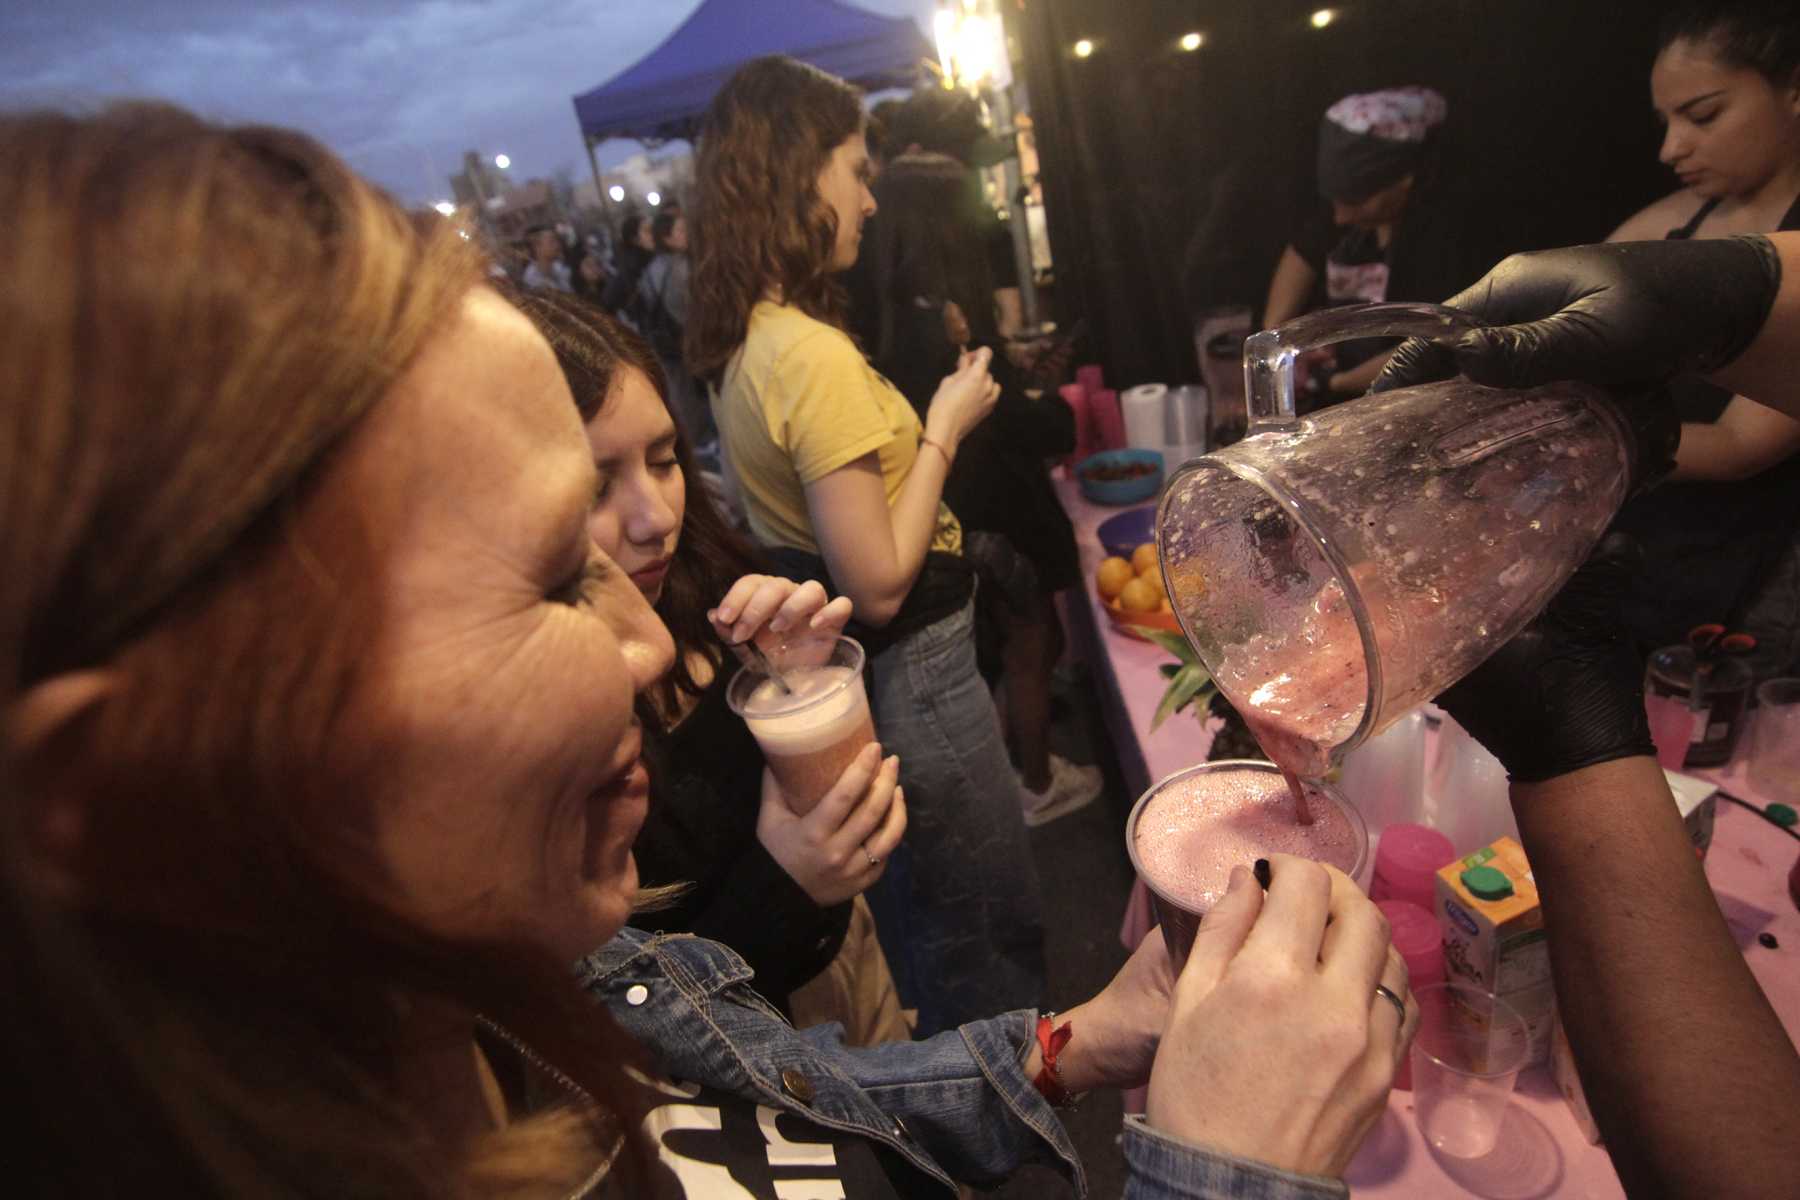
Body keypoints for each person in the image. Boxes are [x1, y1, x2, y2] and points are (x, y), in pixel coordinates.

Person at [3, 102, 1413, 1198]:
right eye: (559, 574)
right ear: (148, 796)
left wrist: (1087, 1039)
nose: (639, 629)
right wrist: (1232, 1167)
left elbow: (796, 1091)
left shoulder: (550, 985)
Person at [685, 55, 1052, 1037]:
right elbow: (880, 584)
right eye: (853, 170)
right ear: (795, 176)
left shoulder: (752, 341)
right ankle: (1017, 1146)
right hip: (917, 678)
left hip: (876, 688)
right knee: (988, 934)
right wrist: (945, 423)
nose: (868, 201)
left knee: (932, 928)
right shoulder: (809, 355)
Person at [509, 290, 910, 1044]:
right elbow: (627, 1029)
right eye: (595, 486)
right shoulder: (536, 735)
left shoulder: (699, 583)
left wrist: (795, 669)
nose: (655, 514)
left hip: (844, 959)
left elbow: (821, 804)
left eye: (664, 461)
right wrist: (785, 889)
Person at [868, 148, 1097, 825]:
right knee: (1032, 647)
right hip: (995, 514)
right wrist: (1050, 404)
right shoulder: (939, 320)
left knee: (1011, 650)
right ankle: (1035, 785)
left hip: (957, 515)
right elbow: (1011, 422)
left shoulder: (890, 319)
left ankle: (1013, 774)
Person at [1601, 1, 1800, 676]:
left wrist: (1580, 442)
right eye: (1666, 122)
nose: (1671, 148)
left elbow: (1746, 446)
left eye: (1703, 115)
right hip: (1653, 551)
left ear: (1794, 90)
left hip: (1754, 576)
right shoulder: (1676, 222)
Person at [1261, 86, 1475, 405]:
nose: (1340, 216)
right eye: (1334, 200)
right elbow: (1298, 259)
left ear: (1403, 182)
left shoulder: (1443, 238)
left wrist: (1333, 381)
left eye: (1354, 201)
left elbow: (1437, 341)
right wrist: (1277, 345)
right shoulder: (1338, 215)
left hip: (1415, 399)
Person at [636, 210, 710, 449]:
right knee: (695, 395)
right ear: (667, 238)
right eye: (680, 230)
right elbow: (689, 308)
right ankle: (700, 443)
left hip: (663, 341)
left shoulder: (651, 267)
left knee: (681, 394)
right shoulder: (681, 267)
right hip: (685, 339)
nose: (686, 234)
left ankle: (694, 442)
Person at [601, 211, 655, 316]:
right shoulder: (633, 268)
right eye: (648, 231)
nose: (654, 233)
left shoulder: (654, 256)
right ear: (635, 240)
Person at [521, 223, 573, 293]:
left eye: (557, 241)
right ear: (537, 247)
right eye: (552, 242)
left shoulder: (562, 269)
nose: (558, 245)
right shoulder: (530, 279)